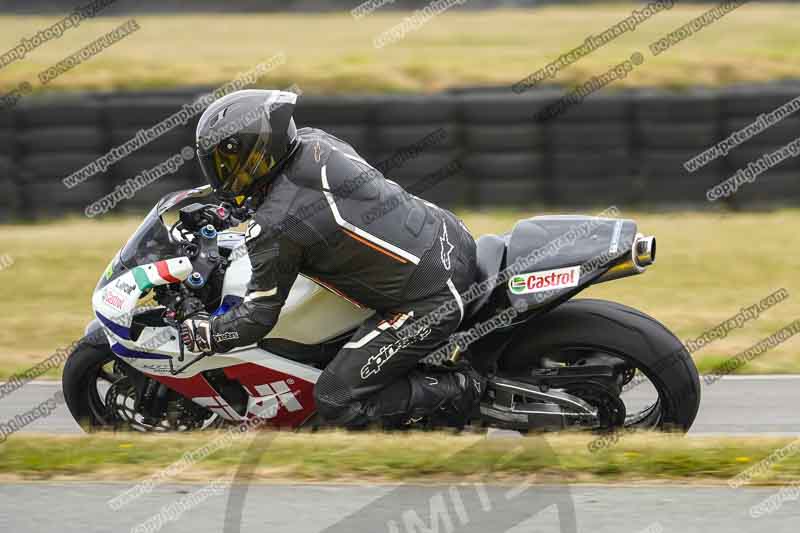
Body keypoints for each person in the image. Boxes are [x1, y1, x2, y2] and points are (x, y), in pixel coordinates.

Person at [180, 89, 483, 428]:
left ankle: (464, 389)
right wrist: (234, 209)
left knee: (335, 398)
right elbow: (297, 202)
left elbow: (257, 319)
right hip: (450, 233)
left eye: (227, 162)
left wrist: (208, 334)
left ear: (257, 153)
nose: (221, 172)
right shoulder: (315, 143)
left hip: (432, 295)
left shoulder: (277, 226)